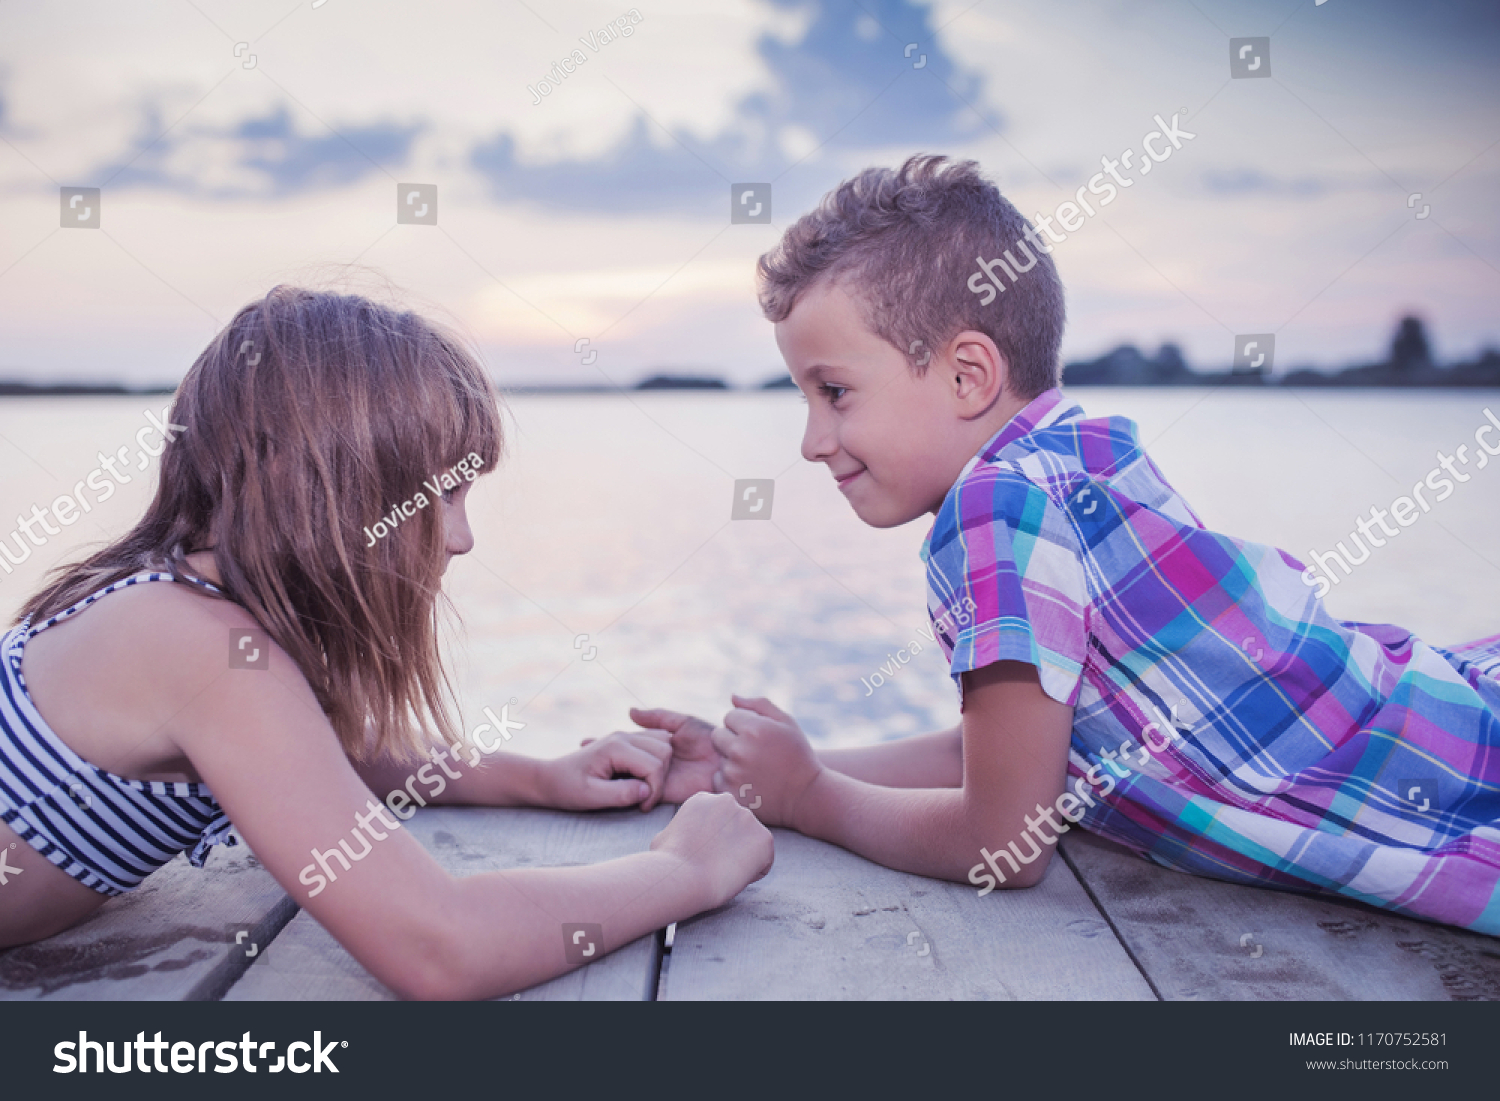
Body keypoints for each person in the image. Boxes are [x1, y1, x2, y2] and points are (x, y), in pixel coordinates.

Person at [633, 155, 1500, 935]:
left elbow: (1006, 841)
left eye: (835, 392)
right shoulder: (1079, 454)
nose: (812, 441)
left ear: (969, 375)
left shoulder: (992, 509)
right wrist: (765, 771)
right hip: (1435, 720)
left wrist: (810, 797)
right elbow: (1016, 750)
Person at [0, 285, 773, 997]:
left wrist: (540, 779)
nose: (465, 538)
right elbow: (439, 946)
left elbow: (325, 751)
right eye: (443, 495)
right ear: (324, 489)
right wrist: (684, 868)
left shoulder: (186, 604)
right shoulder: (192, 641)